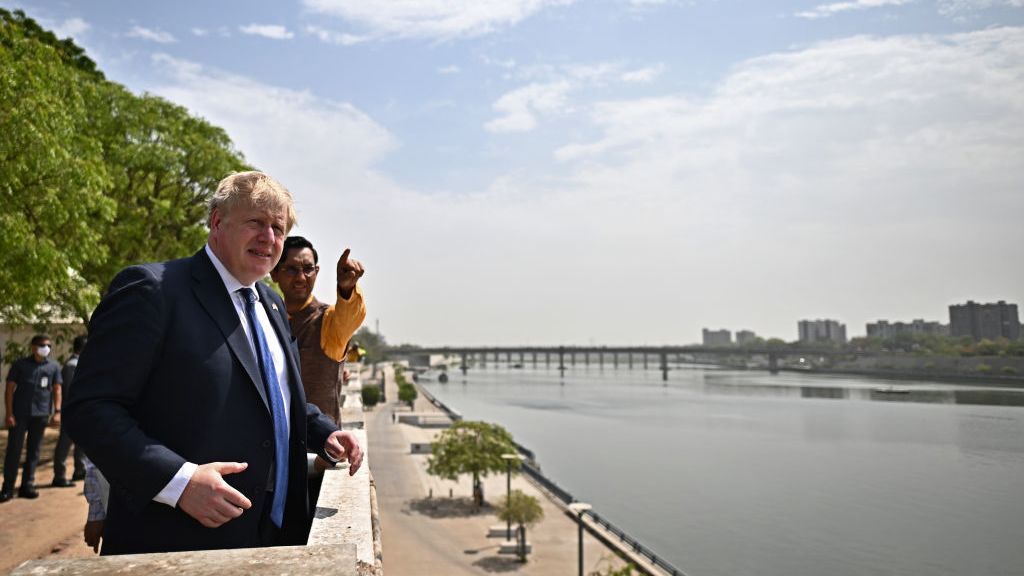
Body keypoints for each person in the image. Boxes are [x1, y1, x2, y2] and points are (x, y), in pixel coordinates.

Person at [65, 171, 363, 554]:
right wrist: (179, 481)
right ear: (217, 222)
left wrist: (325, 433)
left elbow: (275, 397)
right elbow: (89, 409)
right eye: (255, 222)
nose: (268, 238)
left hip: (273, 532)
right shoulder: (153, 290)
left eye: (278, 227)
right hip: (177, 539)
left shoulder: (271, 305)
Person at [269, 236, 366, 425]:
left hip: (321, 449)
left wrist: (347, 289)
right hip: (273, 447)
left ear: (317, 272)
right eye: (291, 269)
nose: (300, 277)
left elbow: (349, 317)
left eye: (307, 269)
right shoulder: (265, 318)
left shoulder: (327, 320)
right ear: (274, 273)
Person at [1, 334, 63, 501]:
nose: (47, 348)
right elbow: (9, 389)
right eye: (44, 345)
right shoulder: (20, 365)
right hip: (19, 414)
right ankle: (7, 487)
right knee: (14, 450)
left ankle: (27, 485)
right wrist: (9, 413)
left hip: (41, 414)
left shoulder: (53, 367)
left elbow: (57, 389)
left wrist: (57, 411)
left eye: (49, 345)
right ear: (34, 347)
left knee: (34, 451)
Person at [52, 334, 88, 487]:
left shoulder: (80, 363)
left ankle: (79, 470)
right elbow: (71, 390)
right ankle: (59, 475)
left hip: (81, 412)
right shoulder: (72, 365)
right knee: (64, 444)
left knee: (81, 443)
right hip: (72, 412)